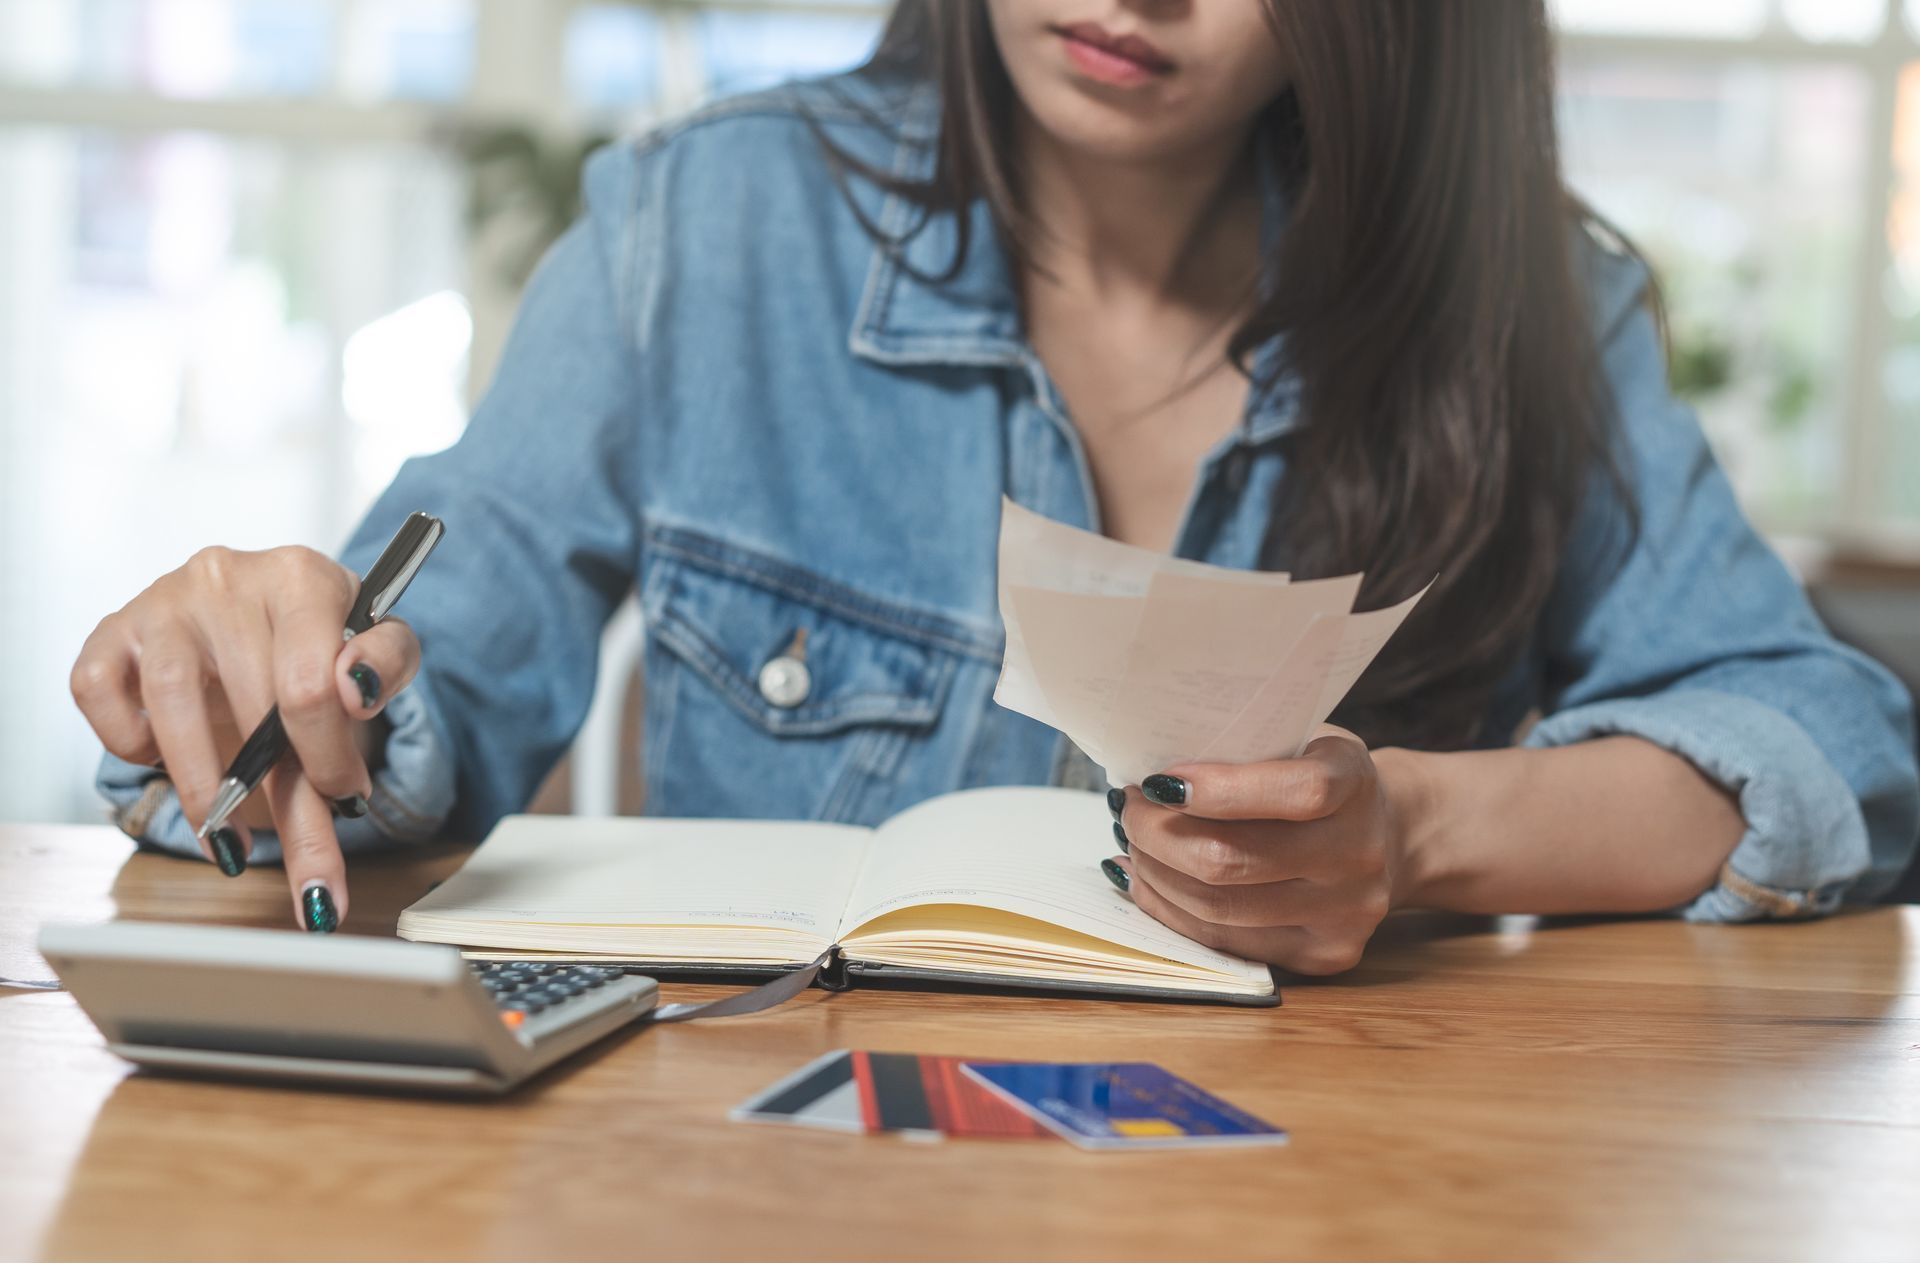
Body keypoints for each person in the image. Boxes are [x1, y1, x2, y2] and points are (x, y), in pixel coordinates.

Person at [74, 0, 1919, 971]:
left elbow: (1827, 737)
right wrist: (264, 688)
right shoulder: (707, 227)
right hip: (774, 1199)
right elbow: (423, 692)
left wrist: (1418, 835)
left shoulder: (1526, 312)